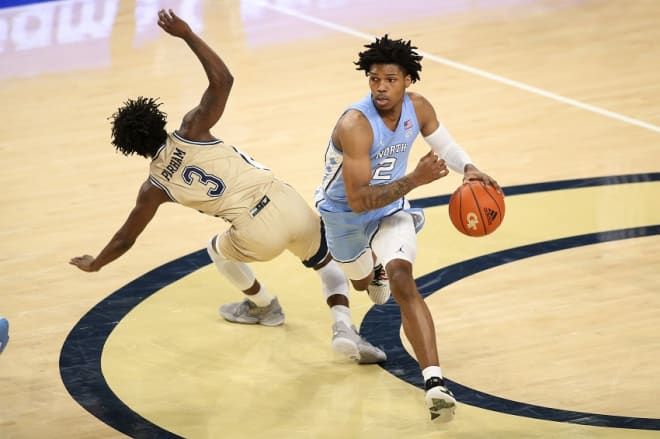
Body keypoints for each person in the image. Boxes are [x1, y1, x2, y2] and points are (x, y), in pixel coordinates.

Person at [69, 9, 385, 365]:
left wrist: (96, 263)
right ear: (159, 120)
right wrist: (187, 33)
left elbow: (126, 238)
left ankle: (264, 306)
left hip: (254, 230)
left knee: (216, 250)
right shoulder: (192, 128)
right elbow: (223, 79)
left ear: (130, 149)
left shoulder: (153, 188)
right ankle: (344, 327)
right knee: (325, 263)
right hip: (284, 198)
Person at [315, 35, 501, 422]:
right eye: (374, 79)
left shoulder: (419, 108)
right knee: (364, 284)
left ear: (408, 81)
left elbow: (443, 144)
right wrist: (416, 179)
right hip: (345, 215)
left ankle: (435, 383)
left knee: (403, 282)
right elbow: (358, 200)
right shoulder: (355, 124)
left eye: (390, 79)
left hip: (391, 210)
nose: (381, 87)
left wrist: (468, 168)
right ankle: (372, 272)